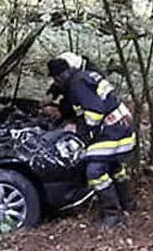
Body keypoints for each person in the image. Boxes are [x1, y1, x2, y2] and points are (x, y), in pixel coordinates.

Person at [46, 53, 137, 227]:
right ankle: (128, 203)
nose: (56, 82)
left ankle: (113, 215)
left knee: (94, 171)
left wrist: (78, 130)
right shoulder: (86, 76)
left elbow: (94, 113)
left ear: (61, 75)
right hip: (122, 129)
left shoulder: (78, 83)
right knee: (113, 166)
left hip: (113, 133)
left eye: (56, 79)